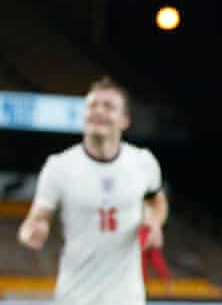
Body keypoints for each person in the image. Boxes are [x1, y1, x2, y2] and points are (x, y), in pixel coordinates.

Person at [18, 77, 168, 305]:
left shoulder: (143, 162)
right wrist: (33, 229)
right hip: (74, 297)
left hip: (127, 298)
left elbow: (157, 201)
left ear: (125, 120)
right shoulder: (59, 166)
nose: (98, 111)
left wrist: (155, 222)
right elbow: (35, 219)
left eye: (108, 106)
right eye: (92, 105)